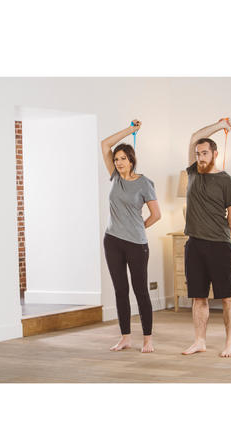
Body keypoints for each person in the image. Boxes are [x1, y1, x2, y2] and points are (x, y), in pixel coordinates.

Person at [182, 118, 231, 358]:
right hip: (194, 245)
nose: (200, 157)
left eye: (205, 153)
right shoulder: (193, 173)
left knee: (227, 297)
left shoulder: (226, 181)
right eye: (198, 153)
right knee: (198, 297)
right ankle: (199, 341)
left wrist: (218, 232)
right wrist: (219, 124)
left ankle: (230, 343)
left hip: (219, 246)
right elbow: (194, 136)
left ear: (215, 154)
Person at [101, 120, 161, 353]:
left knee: (140, 291)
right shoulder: (114, 177)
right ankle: (125, 337)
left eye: (123, 158)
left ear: (132, 160)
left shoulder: (144, 183)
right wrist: (131, 130)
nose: (118, 162)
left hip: (136, 243)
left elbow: (156, 215)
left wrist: (138, 228)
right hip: (112, 241)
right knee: (120, 290)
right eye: (116, 159)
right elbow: (105, 144)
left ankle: (147, 339)